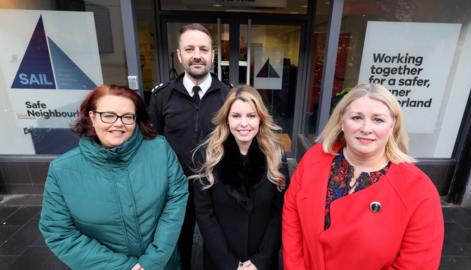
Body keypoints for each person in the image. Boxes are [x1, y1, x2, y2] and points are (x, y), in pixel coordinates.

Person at [282, 83, 444, 270]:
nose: (366, 128)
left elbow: (418, 264)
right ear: (342, 121)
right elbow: (291, 215)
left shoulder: (418, 190)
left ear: (393, 126)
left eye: (378, 120)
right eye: (357, 117)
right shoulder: (314, 159)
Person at [39, 85, 188, 270]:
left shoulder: (159, 149)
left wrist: (153, 260)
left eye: (127, 117)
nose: (118, 123)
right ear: (92, 117)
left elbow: (176, 197)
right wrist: (125, 267)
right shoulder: (62, 170)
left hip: (163, 264)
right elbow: (59, 232)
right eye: (108, 115)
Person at [148, 23, 230, 270]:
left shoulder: (229, 95)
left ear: (212, 55)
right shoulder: (162, 96)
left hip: (217, 185)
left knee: (217, 244)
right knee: (178, 244)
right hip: (176, 189)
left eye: (204, 49)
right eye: (190, 48)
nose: (197, 55)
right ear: (179, 54)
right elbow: (153, 142)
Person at [190, 85, 288, 270]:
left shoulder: (275, 155)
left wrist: (262, 259)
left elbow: (279, 212)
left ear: (260, 119)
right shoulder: (208, 155)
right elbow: (204, 214)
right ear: (227, 119)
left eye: (251, 116)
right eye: (236, 116)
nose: (244, 123)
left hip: (262, 261)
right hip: (221, 261)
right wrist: (229, 263)